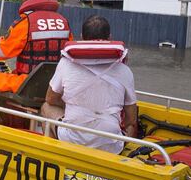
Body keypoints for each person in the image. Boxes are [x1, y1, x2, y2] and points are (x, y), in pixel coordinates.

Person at [41, 15, 138, 154]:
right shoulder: (124, 71)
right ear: (110, 38)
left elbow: (50, 99)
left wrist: (70, 105)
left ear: (81, 37)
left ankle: (53, 156)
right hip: (110, 146)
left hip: (72, 140)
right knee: (130, 127)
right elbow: (131, 118)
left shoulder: (66, 64)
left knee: (46, 107)